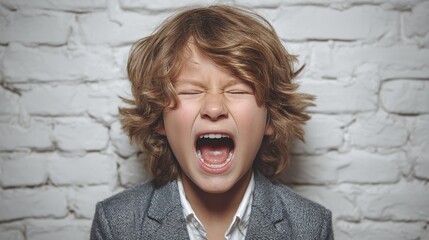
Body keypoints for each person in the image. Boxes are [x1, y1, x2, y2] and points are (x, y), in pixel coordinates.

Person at [90, 4, 334, 240]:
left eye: (238, 91)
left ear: (270, 118)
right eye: (190, 91)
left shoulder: (311, 227)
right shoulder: (117, 224)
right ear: (158, 118)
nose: (214, 108)